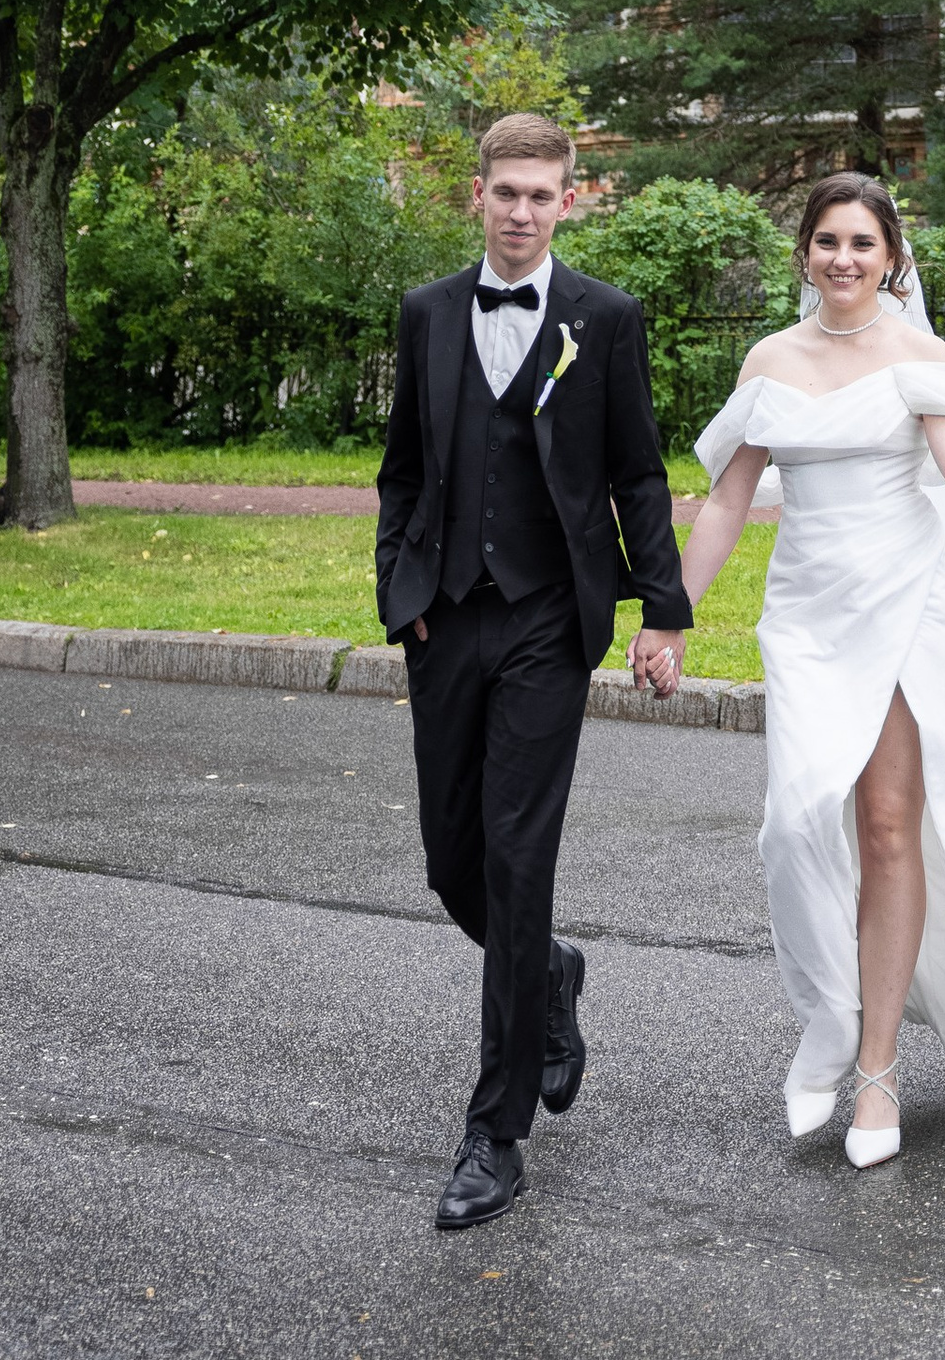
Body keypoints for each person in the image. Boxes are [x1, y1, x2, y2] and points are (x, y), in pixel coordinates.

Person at [662, 171, 945, 1167]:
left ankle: (875, 1072)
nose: (843, 258)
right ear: (804, 254)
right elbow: (729, 500)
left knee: (886, 828)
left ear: (891, 257)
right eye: (827, 241)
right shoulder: (770, 360)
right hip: (809, 618)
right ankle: (830, 1017)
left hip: (905, 605)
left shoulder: (918, 355)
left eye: (862, 243)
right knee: (792, 827)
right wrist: (670, 615)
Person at [374, 112, 693, 1234]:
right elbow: (402, 468)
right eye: (505, 191)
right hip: (446, 616)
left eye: (540, 194)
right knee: (451, 863)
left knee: (516, 859)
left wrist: (663, 609)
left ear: (569, 199)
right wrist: (400, 590)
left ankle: (494, 1132)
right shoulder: (425, 312)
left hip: (551, 620)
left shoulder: (605, 319)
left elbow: (637, 471)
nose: (521, 211)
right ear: (477, 195)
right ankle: (548, 970)